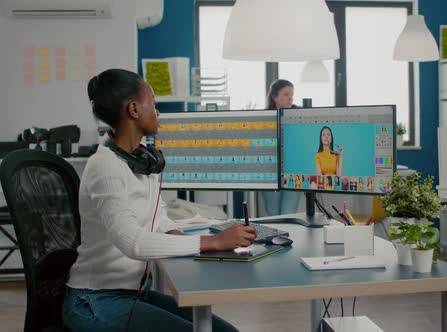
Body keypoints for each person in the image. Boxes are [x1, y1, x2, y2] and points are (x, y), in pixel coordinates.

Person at [62, 69, 255, 332]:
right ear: (133, 109)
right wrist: (213, 241)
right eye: (152, 104)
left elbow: (159, 218)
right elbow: (133, 242)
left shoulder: (142, 161)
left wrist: (190, 241)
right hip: (94, 298)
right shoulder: (105, 165)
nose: (158, 112)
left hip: (134, 294)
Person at [261, 79, 302, 216]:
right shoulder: (264, 118)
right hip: (269, 173)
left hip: (293, 172)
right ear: (274, 97)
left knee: (288, 214)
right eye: (286, 94)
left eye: (292, 94)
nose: (290, 98)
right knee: (273, 214)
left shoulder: (300, 115)